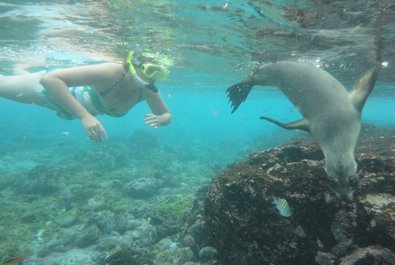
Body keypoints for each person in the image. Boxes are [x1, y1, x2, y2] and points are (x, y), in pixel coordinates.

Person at [0, 50, 172, 143]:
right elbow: (49, 80)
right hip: (43, 92)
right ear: (134, 65)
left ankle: (19, 68)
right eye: (150, 69)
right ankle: (21, 74)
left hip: (61, 105)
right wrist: (84, 116)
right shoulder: (111, 72)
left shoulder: (148, 90)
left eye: (161, 73)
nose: (154, 78)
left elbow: (166, 114)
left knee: (17, 79)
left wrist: (161, 120)